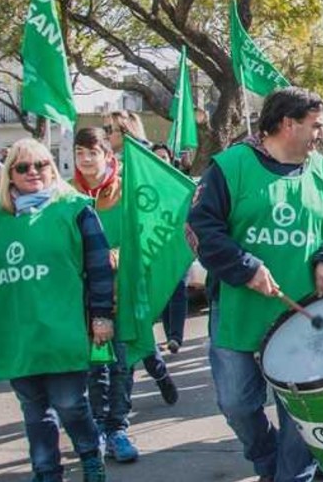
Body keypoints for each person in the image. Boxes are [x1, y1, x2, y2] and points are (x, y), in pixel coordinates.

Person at [187, 87, 323, 482]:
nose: (321, 134)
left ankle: (292, 474)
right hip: (240, 315)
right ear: (287, 124)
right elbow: (200, 228)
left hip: (304, 317)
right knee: (236, 404)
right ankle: (267, 461)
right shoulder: (229, 167)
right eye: (315, 125)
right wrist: (245, 267)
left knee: (302, 417)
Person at [0, 139, 112, 482]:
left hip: (62, 329)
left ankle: (90, 457)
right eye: (22, 167)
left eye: (40, 164)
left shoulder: (75, 209)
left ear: (51, 168)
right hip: (16, 332)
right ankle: (46, 471)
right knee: (35, 410)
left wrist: (101, 316)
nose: (32, 172)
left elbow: (99, 268)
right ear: (10, 175)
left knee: (70, 403)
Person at [73, 127, 180, 464]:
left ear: (108, 155)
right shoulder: (67, 195)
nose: (86, 159)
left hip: (124, 295)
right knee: (94, 369)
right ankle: (97, 430)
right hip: (82, 301)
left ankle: (117, 428)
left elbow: (145, 235)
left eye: (93, 152)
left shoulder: (127, 192)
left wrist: (117, 255)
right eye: (80, 153)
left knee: (121, 365)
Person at [150, 142, 189, 354]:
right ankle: (169, 336)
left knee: (179, 290)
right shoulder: (146, 186)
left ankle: (176, 336)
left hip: (178, 246)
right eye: (156, 157)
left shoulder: (179, 183)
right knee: (164, 292)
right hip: (156, 248)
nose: (160, 160)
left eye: (164, 157)